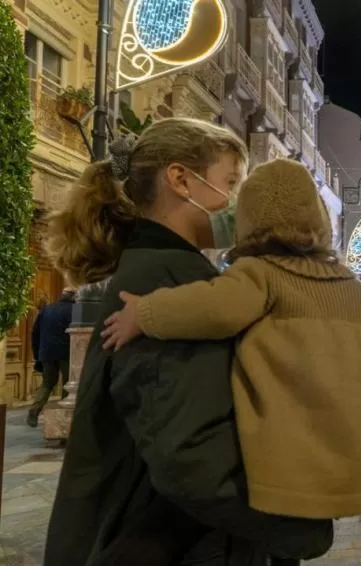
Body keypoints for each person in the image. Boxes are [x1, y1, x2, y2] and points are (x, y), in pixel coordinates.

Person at [43, 120, 332, 566]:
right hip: (170, 544)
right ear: (180, 180)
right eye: (231, 182)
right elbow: (192, 454)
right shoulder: (166, 286)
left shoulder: (170, 274)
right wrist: (295, 527)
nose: (238, 203)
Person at [101, 157, 361, 520]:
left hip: (281, 473)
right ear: (321, 220)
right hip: (354, 471)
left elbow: (211, 308)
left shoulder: (260, 276)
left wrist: (144, 313)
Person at [27, 289, 75, 428]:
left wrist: (38, 355)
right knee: (69, 385)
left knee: (47, 384)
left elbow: (35, 333)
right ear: (73, 297)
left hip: (47, 353)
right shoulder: (75, 310)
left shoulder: (47, 310)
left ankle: (34, 411)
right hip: (66, 353)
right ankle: (64, 419)